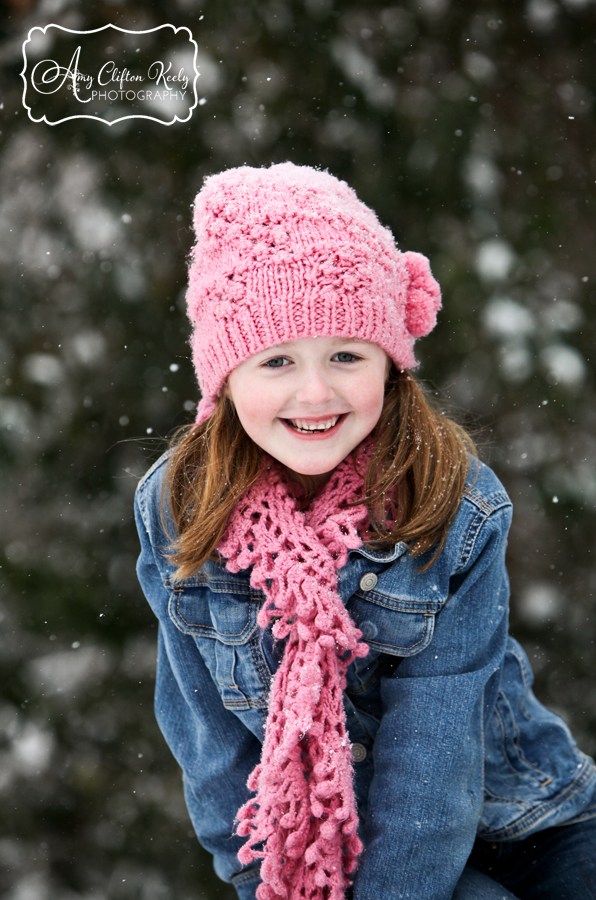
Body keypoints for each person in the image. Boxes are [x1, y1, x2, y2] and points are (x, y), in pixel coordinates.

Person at [134, 162, 596, 900]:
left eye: (346, 355)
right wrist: (262, 879)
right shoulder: (180, 508)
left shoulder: (453, 499)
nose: (315, 393)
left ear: (390, 363)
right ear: (224, 379)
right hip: (325, 858)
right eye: (277, 360)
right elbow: (205, 738)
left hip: (525, 819)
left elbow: (436, 746)